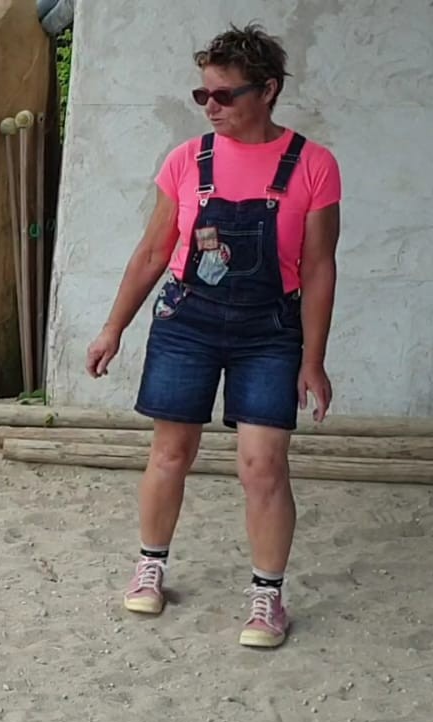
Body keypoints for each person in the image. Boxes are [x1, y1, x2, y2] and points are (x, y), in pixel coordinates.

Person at [84, 23, 342, 649]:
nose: (212, 107)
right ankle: (150, 566)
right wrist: (113, 327)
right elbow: (153, 252)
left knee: (263, 467)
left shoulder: (313, 165)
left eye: (225, 95)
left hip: (269, 330)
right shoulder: (186, 160)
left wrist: (314, 359)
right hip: (187, 321)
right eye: (205, 96)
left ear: (269, 91)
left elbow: (317, 267)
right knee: (170, 452)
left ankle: (267, 597)